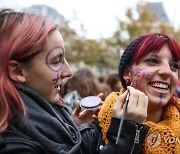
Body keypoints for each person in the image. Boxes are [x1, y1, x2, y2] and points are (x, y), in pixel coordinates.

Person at [0, 8, 149, 154]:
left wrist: (78, 129)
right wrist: (125, 135)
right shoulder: (12, 145)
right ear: (17, 71)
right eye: (56, 60)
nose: (69, 72)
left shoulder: (45, 122)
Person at [98, 33, 180, 153]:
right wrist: (125, 137)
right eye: (153, 61)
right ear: (127, 73)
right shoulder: (90, 135)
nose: (167, 71)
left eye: (174, 66)